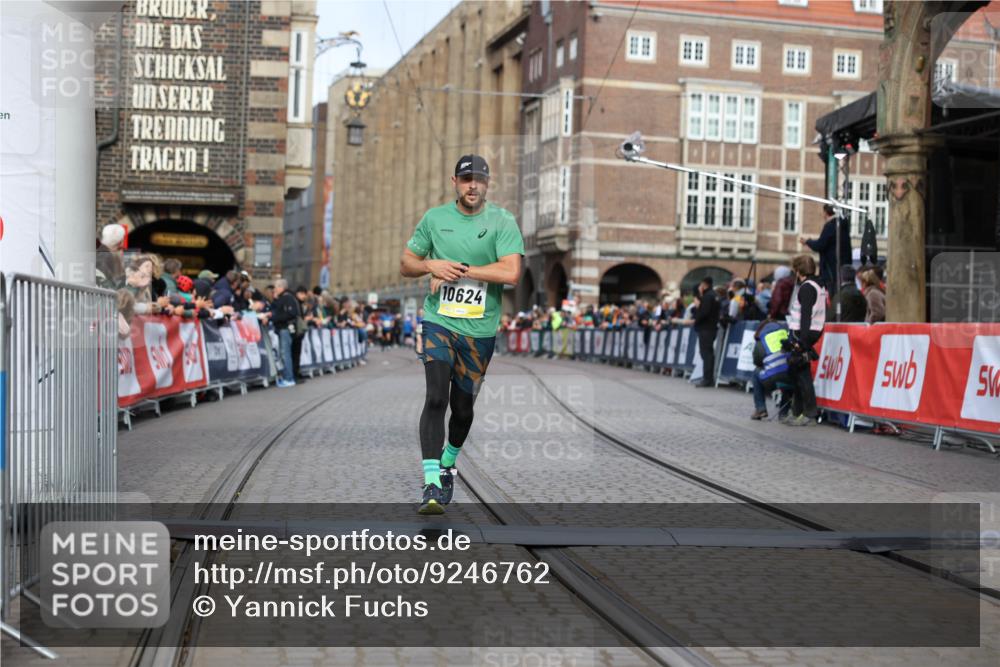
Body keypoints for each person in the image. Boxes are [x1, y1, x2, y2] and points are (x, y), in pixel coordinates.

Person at [399, 154, 524, 514]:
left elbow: (511, 273)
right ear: (454, 181)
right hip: (440, 320)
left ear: (488, 183)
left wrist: (459, 270)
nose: (473, 185)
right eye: (466, 179)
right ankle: (432, 483)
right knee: (436, 396)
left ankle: (449, 460)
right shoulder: (435, 219)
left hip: (480, 329)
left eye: (479, 180)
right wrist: (429, 265)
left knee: (463, 408)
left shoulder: (502, 221)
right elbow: (406, 264)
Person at [785, 254, 826, 426]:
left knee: (803, 376)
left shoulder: (807, 288)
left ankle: (809, 413)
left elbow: (805, 317)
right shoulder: (817, 286)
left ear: (798, 270)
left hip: (804, 333)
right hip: (808, 332)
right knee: (798, 374)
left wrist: (802, 342)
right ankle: (797, 411)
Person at [801, 204, 852, 294]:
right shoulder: (843, 225)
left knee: (831, 296)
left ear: (826, 213)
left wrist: (807, 241)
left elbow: (820, 245)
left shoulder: (831, 226)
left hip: (831, 271)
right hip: (842, 268)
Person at [749, 319, 791, 420]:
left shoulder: (762, 338)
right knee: (786, 376)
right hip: (790, 377)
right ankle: (783, 413)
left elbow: (757, 361)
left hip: (771, 379)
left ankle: (760, 408)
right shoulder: (786, 332)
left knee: (756, 372)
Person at [269, 279, 300, 387]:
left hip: (285, 328)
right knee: (284, 354)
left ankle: (289, 378)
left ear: (281, 287)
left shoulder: (287, 298)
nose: (274, 289)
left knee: (285, 354)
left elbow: (291, 313)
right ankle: (288, 377)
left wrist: (274, 318)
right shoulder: (284, 298)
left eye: (276, 287)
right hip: (283, 328)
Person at [692, 276, 720, 387]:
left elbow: (704, 312)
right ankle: (708, 378)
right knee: (708, 353)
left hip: (706, 328)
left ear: (704, 285)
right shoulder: (714, 295)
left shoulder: (708, 296)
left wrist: (696, 319)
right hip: (711, 327)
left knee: (706, 353)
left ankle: (707, 379)